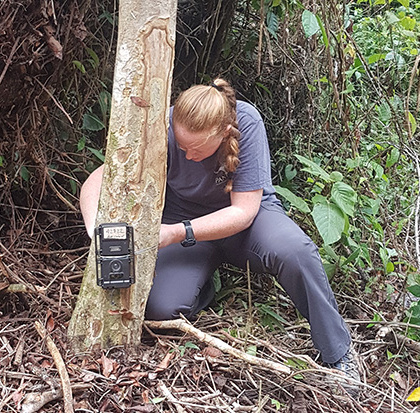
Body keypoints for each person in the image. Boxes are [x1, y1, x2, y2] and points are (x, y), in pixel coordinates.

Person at [79, 78, 360, 393]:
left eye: (195, 149)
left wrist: (175, 233)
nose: (186, 156)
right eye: (181, 147)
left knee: (295, 251)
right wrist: (95, 232)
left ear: (224, 133)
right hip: (183, 222)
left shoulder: (246, 122)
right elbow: (99, 178)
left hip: (245, 221)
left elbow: (243, 212)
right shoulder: (165, 125)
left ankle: (339, 354)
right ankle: (203, 281)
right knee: (162, 309)